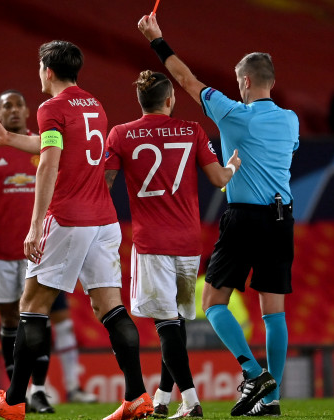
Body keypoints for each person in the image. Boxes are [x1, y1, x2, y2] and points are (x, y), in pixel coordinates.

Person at [0, 40, 153, 420]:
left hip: (68, 218)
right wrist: (9, 139)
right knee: (110, 307)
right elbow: (54, 143)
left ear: (47, 71)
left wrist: (36, 226)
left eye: (39, 67)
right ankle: (137, 396)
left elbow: (48, 164)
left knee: (32, 307)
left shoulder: (51, 107)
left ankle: (14, 401)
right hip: (104, 221)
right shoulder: (94, 104)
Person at [138, 14, 299, 417]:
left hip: (245, 216)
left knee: (212, 302)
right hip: (283, 218)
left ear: (244, 81)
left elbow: (186, 79)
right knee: (273, 312)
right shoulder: (291, 119)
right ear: (271, 82)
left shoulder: (232, 113)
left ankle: (252, 371)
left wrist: (157, 40)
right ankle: (272, 398)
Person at [104, 70, 241, 418]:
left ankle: (191, 401)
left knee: (166, 324)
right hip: (188, 242)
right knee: (176, 321)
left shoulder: (120, 134)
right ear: (169, 99)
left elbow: (104, 183)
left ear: (140, 101)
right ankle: (164, 398)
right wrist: (233, 166)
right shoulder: (192, 130)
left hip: (151, 241)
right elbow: (218, 178)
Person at [0, 90, 97, 413]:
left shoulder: (44, 145)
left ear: (27, 111)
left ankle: (38, 390)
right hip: (0, 252)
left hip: (40, 250)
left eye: (18, 104)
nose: (13, 110)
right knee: (10, 319)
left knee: (38, 318)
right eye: (6, 105)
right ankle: (18, 393)